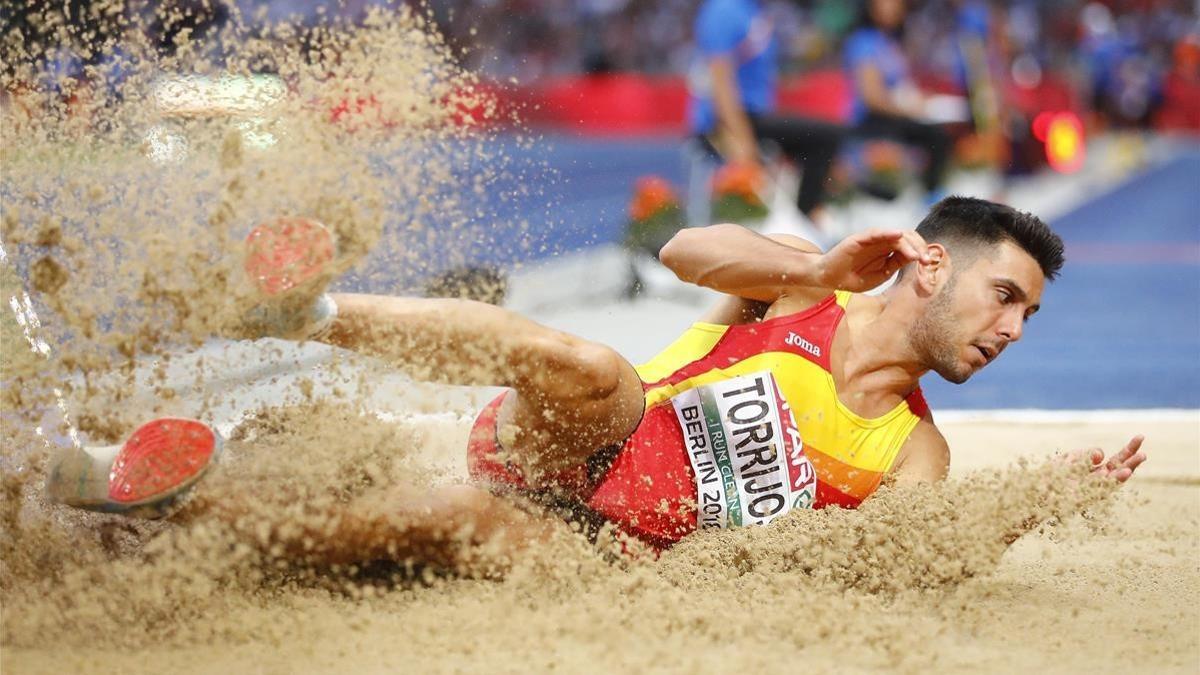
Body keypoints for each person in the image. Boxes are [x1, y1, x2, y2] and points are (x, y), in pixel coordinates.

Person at [47, 198, 1148, 567]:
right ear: (932, 260)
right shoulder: (800, 293)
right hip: (575, 433)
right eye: (1007, 295)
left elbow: (898, 565)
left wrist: (1027, 509)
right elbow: (684, 252)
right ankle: (313, 314)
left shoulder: (916, 451)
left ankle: (133, 497)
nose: (1014, 328)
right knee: (588, 366)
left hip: (589, 543)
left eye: (1031, 317)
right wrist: (809, 268)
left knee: (414, 526)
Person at [688, 0, 845, 221]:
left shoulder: (755, 11)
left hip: (755, 116)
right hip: (726, 121)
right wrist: (744, 142)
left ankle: (803, 214)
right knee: (826, 136)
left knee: (822, 137)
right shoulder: (723, 10)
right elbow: (719, 81)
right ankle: (806, 215)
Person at [844, 0, 952, 201]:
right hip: (871, 121)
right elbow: (872, 98)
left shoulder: (893, 42)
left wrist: (922, 100)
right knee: (934, 136)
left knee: (942, 133)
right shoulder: (863, 42)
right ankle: (929, 195)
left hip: (895, 114)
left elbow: (902, 86)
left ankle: (931, 192)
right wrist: (911, 110)